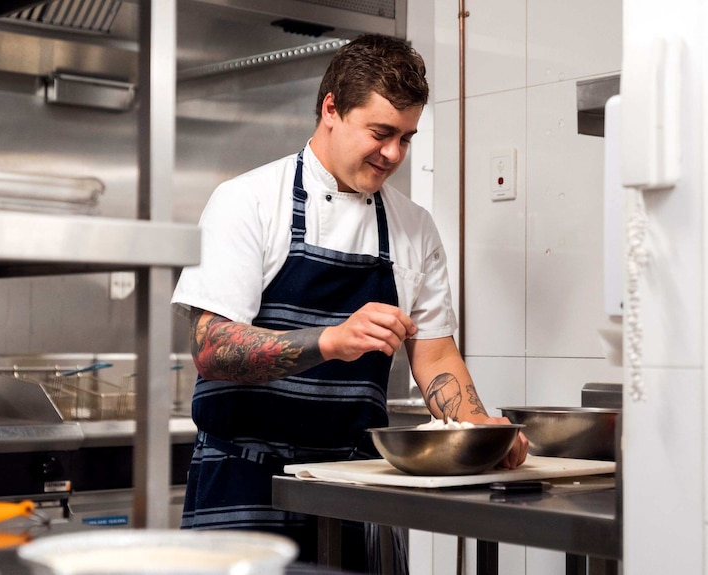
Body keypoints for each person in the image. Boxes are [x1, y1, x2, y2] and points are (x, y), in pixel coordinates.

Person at [171, 33, 528, 567]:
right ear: (331, 108)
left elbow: (434, 354)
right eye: (381, 133)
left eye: (406, 138)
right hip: (245, 481)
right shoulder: (247, 201)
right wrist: (331, 341)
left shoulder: (414, 227)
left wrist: (478, 429)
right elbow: (213, 347)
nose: (393, 154)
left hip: (357, 482)